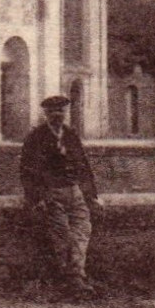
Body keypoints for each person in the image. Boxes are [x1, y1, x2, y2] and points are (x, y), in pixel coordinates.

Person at [19, 94, 100, 296]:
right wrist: (37, 198)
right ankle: (70, 278)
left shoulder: (71, 135)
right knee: (62, 235)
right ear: (46, 114)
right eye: (52, 112)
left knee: (82, 230)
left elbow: (83, 165)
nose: (57, 115)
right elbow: (27, 170)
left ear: (66, 113)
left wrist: (91, 196)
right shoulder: (36, 137)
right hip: (51, 193)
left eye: (61, 111)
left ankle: (76, 276)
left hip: (74, 191)